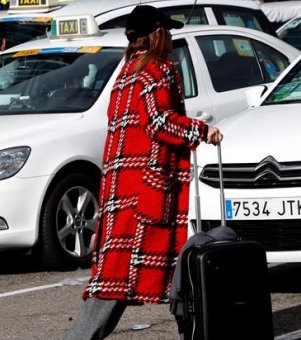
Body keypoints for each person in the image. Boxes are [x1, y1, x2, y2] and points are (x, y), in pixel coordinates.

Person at [64, 5, 223, 340]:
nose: (171, 37)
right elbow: (159, 121)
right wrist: (200, 130)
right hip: (151, 190)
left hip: (122, 190)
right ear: (157, 34)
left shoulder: (125, 73)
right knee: (179, 275)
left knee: (117, 278)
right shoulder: (157, 70)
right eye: (167, 31)